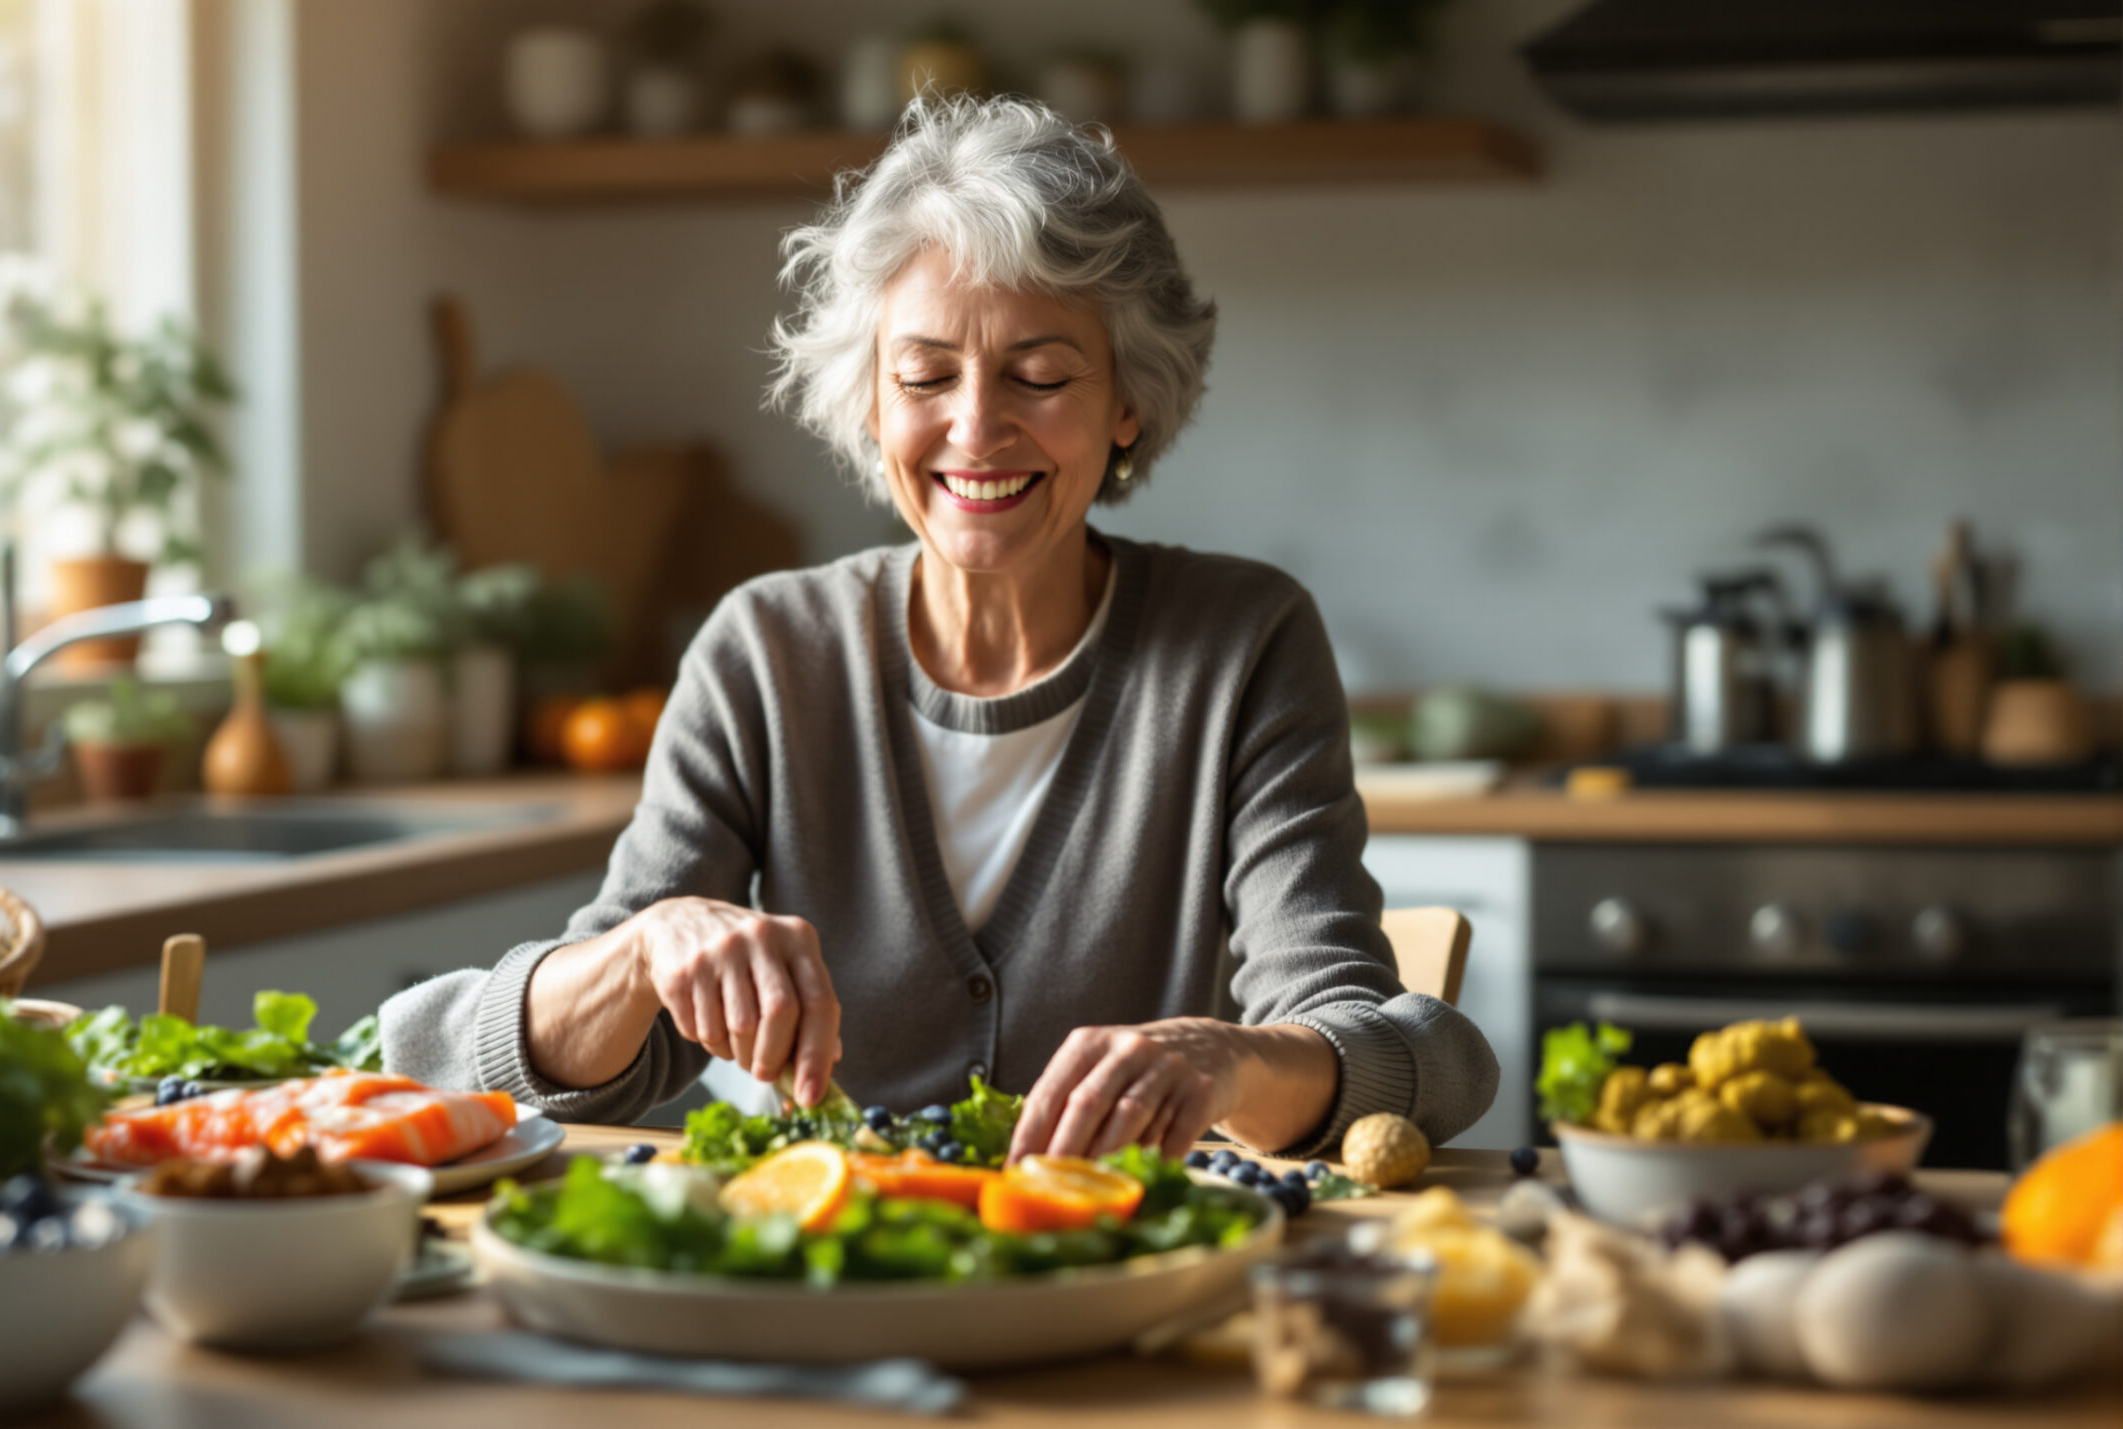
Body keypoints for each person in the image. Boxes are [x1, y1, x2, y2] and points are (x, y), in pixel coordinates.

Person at [382, 95, 1497, 1159]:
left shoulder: (1239, 642)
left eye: (1040, 374)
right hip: (813, 1267)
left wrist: (1234, 1062)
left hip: (1113, 1271)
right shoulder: (766, 650)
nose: (976, 429)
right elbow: (472, 1065)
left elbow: (1416, 1057)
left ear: (1127, 403)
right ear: (871, 402)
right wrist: (638, 953)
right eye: (924, 375)